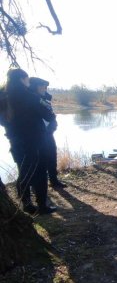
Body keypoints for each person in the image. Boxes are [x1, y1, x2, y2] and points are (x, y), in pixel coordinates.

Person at [1, 68, 57, 214]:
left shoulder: (4, 97)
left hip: (16, 141)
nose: (28, 82)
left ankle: (26, 204)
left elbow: (3, 121)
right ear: (22, 79)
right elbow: (49, 116)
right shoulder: (30, 97)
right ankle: (42, 206)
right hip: (35, 140)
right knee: (40, 173)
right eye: (27, 79)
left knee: (24, 172)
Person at [29, 77, 67, 189]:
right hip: (36, 136)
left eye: (46, 87)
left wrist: (52, 128)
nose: (45, 89)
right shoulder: (31, 99)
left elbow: (51, 116)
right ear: (36, 86)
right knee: (39, 161)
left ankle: (54, 181)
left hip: (48, 134)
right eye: (43, 86)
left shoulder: (44, 99)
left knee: (52, 156)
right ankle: (37, 186)